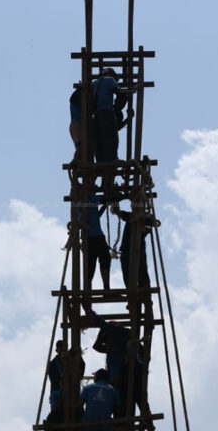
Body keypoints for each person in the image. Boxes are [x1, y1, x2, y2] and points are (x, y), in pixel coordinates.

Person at [110, 204, 161, 290]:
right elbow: (118, 212)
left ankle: (145, 295)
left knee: (142, 277)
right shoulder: (131, 215)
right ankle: (133, 296)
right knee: (128, 277)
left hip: (138, 250)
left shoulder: (148, 217)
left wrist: (138, 221)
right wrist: (115, 205)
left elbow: (147, 227)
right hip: (126, 250)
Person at [92, 68, 120, 197]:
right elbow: (119, 92)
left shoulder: (94, 84)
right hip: (107, 114)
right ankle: (109, 183)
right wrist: (134, 89)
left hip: (95, 118)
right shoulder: (109, 80)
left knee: (101, 150)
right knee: (111, 147)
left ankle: (105, 182)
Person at [76, 194, 112, 290]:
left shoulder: (79, 203)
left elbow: (96, 215)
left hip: (90, 237)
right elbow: (106, 198)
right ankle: (106, 287)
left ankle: (88, 288)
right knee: (103, 260)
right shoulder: (90, 198)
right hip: (94, 237)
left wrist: (104, 206)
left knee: (91, 264)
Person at [46, 341, 86, 424]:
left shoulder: (71, 360)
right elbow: (54, 379)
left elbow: (81, 368)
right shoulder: (53, 364)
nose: (64, 351)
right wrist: (62, 383)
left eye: (65, 348)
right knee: (57, 415)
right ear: (57, 350)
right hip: (58, 392)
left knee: (76, 411)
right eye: (61, 349)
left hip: (72, 391)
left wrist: (79, 357)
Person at [69, 86, 83, 161]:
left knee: (81, 146)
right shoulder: (76, 98)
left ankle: (77, 161)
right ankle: (75, 161)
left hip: (76, 124)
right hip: (77, 124)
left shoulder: (75, 97)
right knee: (81, 146)